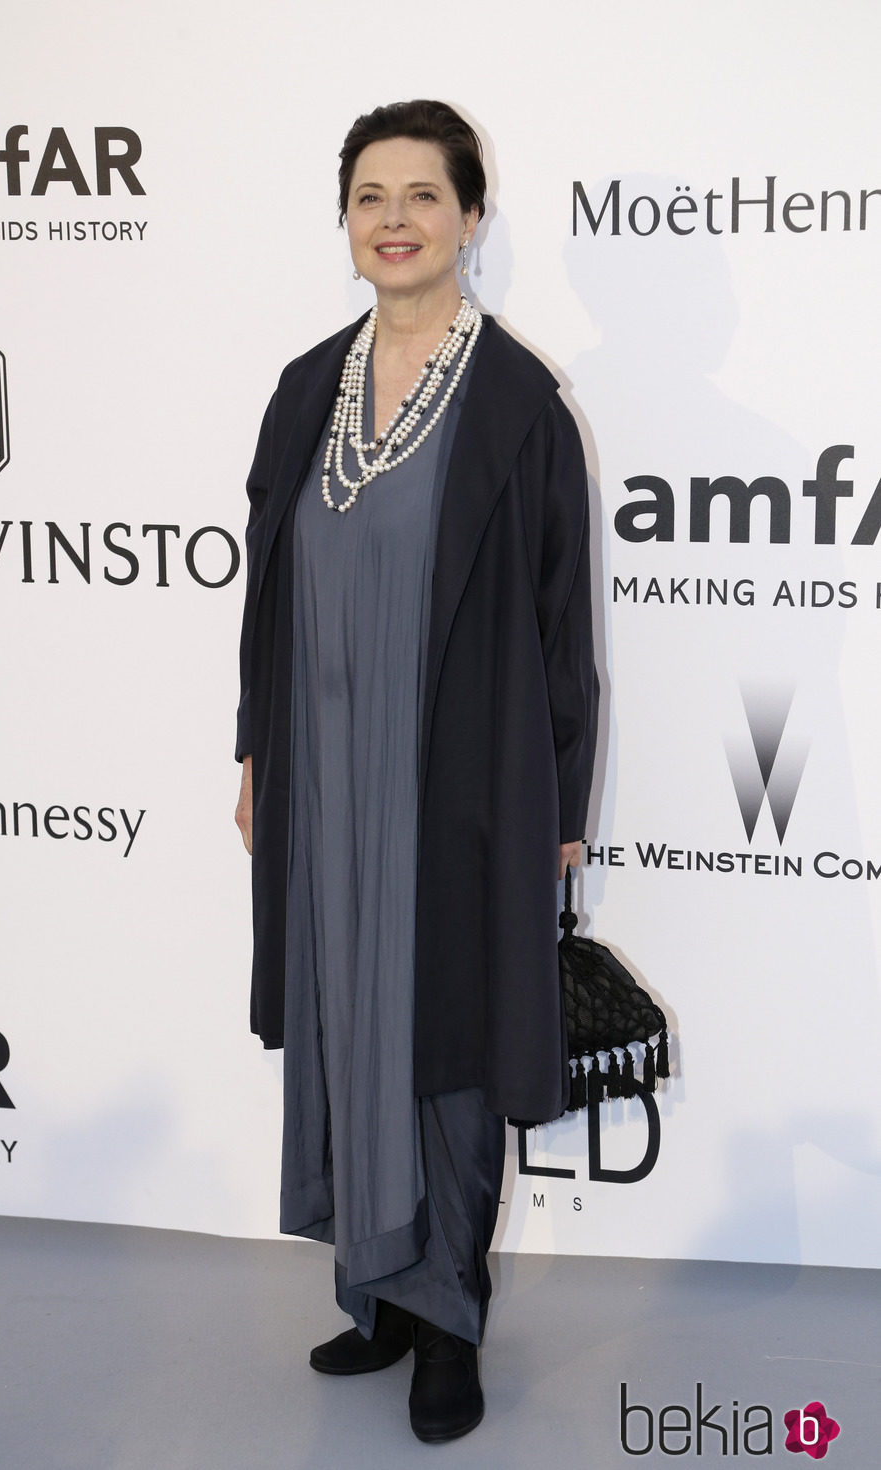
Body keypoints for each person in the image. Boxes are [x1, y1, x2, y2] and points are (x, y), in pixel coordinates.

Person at [234, 99, 599, 1445]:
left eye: (423, 197)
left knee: (443, 1042)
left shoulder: (517, 409)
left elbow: (565, 622)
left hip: (464, 782)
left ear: (471, 218)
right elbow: (267, 593)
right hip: (326, 776)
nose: (395, 220)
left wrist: (557, 799)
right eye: (371, 197)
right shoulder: (302, 390)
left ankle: (447, 1314)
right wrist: (257, 748)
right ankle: (372, 1283)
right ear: (346, 222)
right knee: (340, 1022)